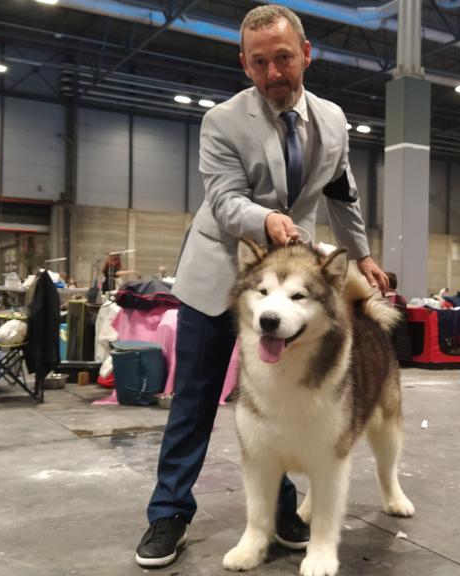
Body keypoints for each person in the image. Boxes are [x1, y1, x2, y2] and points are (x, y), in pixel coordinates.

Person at [134, 5, 387, 568]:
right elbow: (224, 201)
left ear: (306, 54)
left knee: (287, 399)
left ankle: (279, 509)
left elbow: (343, 195)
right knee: (195, 400)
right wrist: (267, 221)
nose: (274, 73)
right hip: (219, 275)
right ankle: (169, 513)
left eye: (283, 58)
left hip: (290, 284)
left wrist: (364, 257)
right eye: (260, 62)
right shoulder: (222, 121)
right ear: (244, 63)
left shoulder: (334, 120)